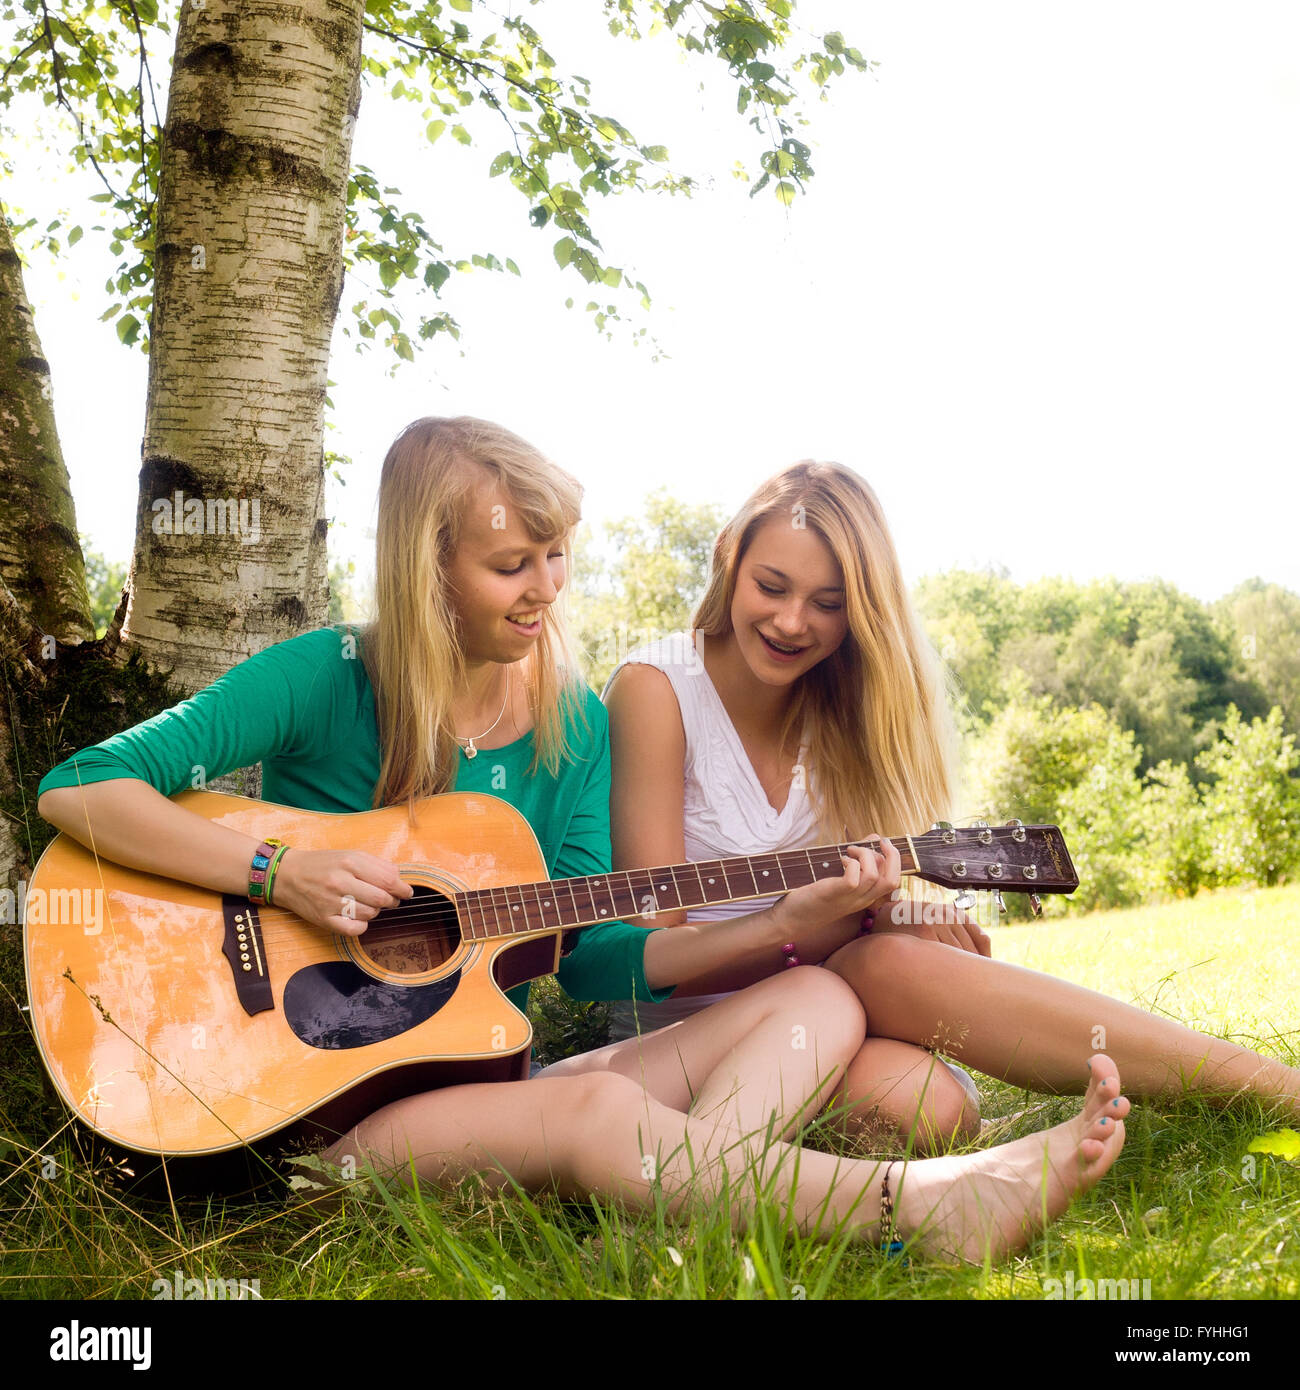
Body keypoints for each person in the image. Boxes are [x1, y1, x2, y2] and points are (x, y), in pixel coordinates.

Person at [37, 418, 1130, 1265]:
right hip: (320, 1118)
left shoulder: (570, 722)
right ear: (427, 568)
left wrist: (786, 927)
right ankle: (921, 1214)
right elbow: (81, 788)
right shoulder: (322, 680)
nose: (546, 590)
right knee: (596, 1107)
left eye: (556, 556)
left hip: (484, 1081)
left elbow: (600, 945)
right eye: (513, 564)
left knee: (822, 999)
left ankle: (675, 1201)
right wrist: (281, 869)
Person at [602, 460, 1300, 1155]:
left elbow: (846, 929)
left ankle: (1260, 1089)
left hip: (828, 1007)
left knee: (924, 1099)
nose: (792, 622)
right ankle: (1268, 1086)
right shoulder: (657, 690)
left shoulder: (848, 709)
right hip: (688, 1029)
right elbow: (649, 962)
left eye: (828, 603)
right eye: (771, 586)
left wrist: (893, 914)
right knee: (902, 1028)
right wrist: (828, 927)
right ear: (729, 554)